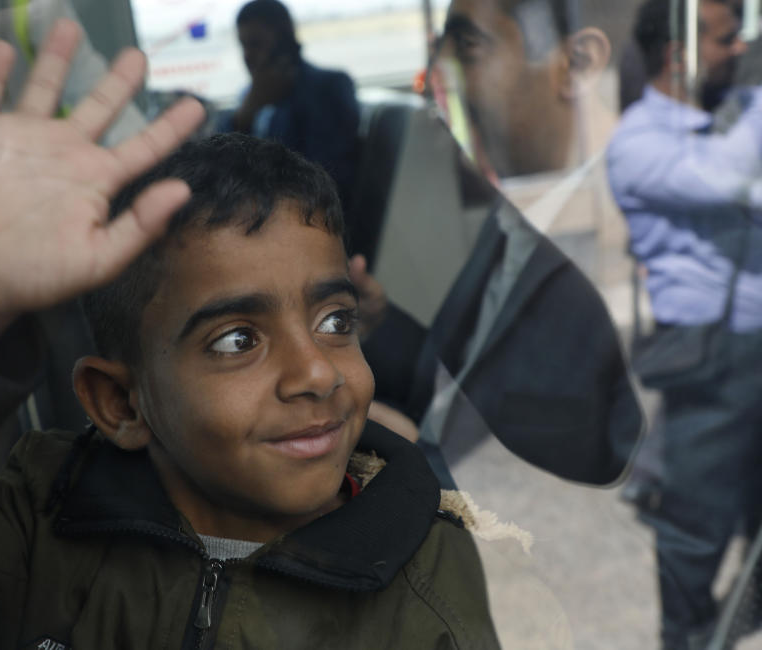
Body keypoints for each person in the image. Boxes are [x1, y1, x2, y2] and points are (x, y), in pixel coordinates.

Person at [0, 21, 501, 647]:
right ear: (120, 404)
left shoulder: (429, 569)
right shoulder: (40, 518)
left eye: (335, 322)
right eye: (237, 341)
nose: (317, 372)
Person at [352, 0, 644, 485]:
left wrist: (414, 451)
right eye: (438, 47)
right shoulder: (498, 206)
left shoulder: (626, 249)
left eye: (468, 45)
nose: (435, 74)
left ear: (575, 65)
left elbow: (595, 463)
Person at [607, 1, 762, 647]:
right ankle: (689, 636)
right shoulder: (638, 141)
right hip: (711, 361)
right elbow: (731, 179)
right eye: (728, 38)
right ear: (681, 55)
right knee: (696, 528)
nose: (742, 48)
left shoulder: (741, 111)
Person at [218, 0, 359, 211]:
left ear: (284, 41)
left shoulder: (327, 87)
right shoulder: (250, 96)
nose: (247, 56)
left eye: (255, 44)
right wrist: (246, 114)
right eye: (243, 45)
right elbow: (217, 162)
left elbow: (324, 176)